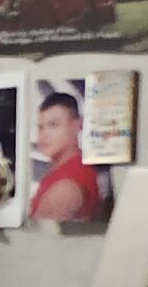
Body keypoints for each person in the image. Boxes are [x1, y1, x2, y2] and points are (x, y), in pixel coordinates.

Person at [28, 85, 105, 221]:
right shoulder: (62, 173)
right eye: (40, 127)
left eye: (53, 125)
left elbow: (35, 241)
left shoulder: (67, 184)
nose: (43, 135)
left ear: (77, 126)